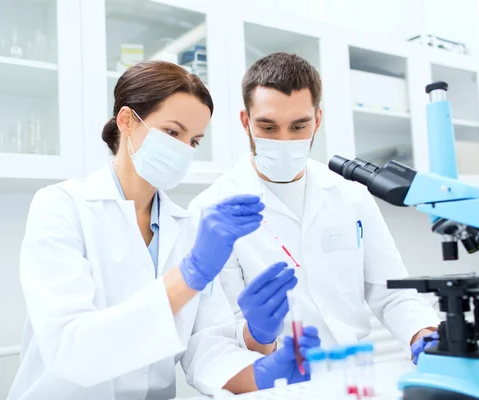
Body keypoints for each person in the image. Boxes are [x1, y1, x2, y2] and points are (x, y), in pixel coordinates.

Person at [8, 61, 321, 400]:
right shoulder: (61, 206)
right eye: (173, 132)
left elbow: (205, 349)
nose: (183, 150)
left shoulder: (186, 228)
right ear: (126, 121)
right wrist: (190, 274)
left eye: (194, 141)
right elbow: (71, 350)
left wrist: (261, 360)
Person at [188, 53, 440, 363]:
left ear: (317, 120)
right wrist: (257, 335)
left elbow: (392, 292)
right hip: (270, 385)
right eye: (268, 128)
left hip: (354, 379)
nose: (283, 140)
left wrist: (422, 333)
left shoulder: (352, 196)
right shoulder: (211, 210)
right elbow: (216, 337)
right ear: (246, 121)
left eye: (298, 127)